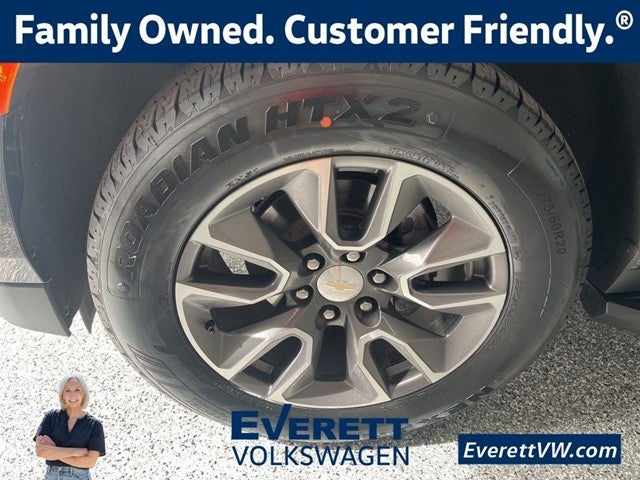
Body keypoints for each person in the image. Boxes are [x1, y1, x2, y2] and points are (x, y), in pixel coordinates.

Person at [34, 373, 106, 480]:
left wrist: (54, 450)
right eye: (67, 390)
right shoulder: (51, 417)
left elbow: (90, 462)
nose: (72, 395)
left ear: (83, 394)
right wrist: (76, 452)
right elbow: (40, 451)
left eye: (77, 390)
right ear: (62, 395)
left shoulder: (94, 425)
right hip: (52, 476)